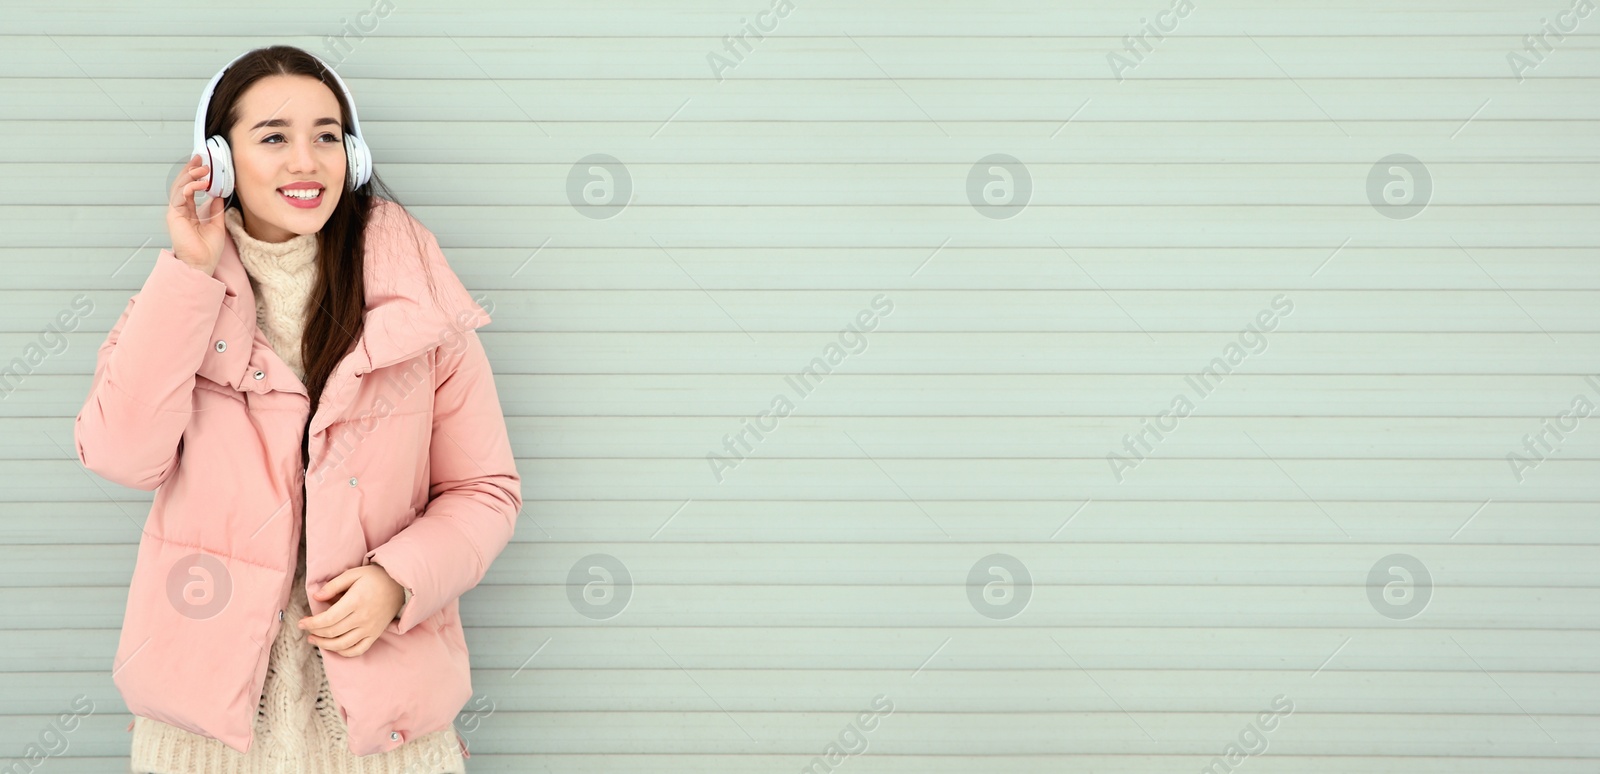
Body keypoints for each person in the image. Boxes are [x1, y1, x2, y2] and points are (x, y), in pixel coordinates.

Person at [74, 45, 519, 774]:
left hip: (381, 737)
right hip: (204, 741)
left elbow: (486, 490)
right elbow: (122, 453)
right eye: (274, 136)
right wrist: (190, 270)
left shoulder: (421, 311)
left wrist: (399, 579)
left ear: (355, 154)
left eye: (326, 135)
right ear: (217, 161)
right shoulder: (176, 303)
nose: (306, 160)